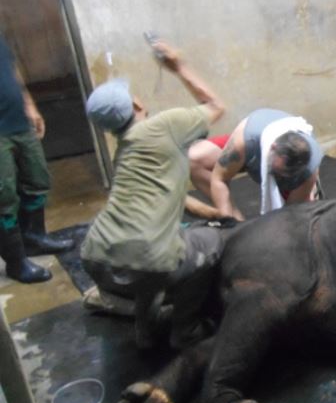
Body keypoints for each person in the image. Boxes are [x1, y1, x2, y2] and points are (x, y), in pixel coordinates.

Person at [81, 40, 226, 350]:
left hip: (97, 257)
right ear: (136, 106)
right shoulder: (164, 126)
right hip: (146, 259)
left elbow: (175, 198)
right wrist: (179, 67)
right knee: (208, 245)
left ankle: (145, 331)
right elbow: (216, 106)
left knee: (153, 256)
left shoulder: (124, 150)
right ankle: (184, 330)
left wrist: (216, 214)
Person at [0, 32, 73, 284]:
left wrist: (29, 105)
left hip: (18, 121)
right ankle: (16, 262)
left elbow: (11, 69)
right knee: (3, 198)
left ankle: (34, 238)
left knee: (37, 180)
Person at [202, 108, 323, 222]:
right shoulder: (243, 143)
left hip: (294, 179)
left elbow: (289, 218)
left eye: (287, 174)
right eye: (280, 172)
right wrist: (228, 222)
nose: (282, 176)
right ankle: (237, 223)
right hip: (252, 152)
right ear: (273, 147)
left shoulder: (309, 168)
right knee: (195, 158)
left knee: (298, 219)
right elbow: (218, 179)